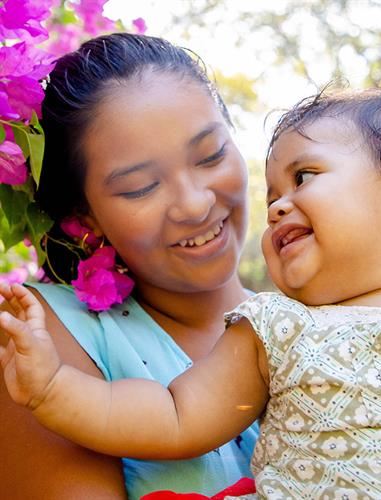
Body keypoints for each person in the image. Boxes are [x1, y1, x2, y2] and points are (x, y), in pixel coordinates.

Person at [2, 88, 381, 499]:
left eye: (303, 177)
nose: (277, 208)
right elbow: (175, 417)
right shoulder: (277, 327)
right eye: (273, 195)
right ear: (86, 216)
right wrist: (54, 389)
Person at [0, 33, 259, 499]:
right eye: (141, 187)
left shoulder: (318, 320)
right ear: (86, 218)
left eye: (211, 155)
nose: (194, 204)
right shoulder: (41, 339)